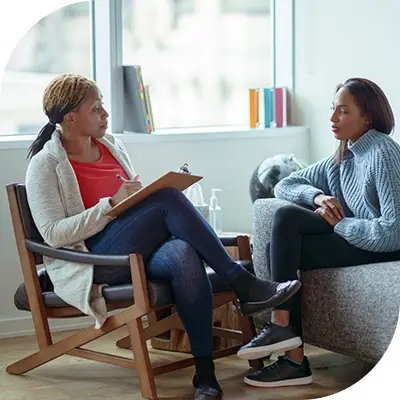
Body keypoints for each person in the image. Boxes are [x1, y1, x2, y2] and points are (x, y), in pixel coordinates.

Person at [25, 74, 301, 400]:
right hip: (92, 261)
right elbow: (54, 235)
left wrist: (132, 201)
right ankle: (243, 284)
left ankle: (205, 375)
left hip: (134, 251)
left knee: (183, 252)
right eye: (96, 108)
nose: (105, 114)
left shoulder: (112, 147)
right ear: (70, 117)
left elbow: (129, 212)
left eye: (103, 107)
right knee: (167, 198)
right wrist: (111, 205)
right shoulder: (45, 165)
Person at [237, 77, 400, 388]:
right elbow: (285, 184)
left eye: (343, 111)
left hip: (386, 245)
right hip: (359, 238)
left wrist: (339, 224)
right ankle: (291, 351)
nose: (332, 119)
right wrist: (318, 197)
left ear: (367, 117)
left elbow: (394, 232)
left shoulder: (383, 153)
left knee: (285, 232)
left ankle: (287, 343)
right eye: (333, 110)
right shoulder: (344, 156)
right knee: (282, 236)